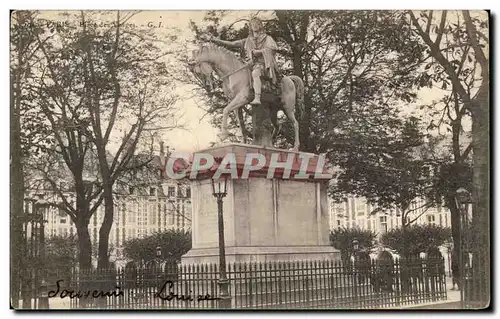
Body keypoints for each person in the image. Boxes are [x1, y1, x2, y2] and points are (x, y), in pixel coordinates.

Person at [201, 17, 279, 105]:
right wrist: (213, 39)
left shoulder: (267, 38)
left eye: (256, 23)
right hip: (250, 64)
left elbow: (273, 48)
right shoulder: (248, 40)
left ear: (260, 25)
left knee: (255, 73)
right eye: (252, 24)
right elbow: (232, 44)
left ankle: (257, 98)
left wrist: (260, 52)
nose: (254, 25)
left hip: (263, 64)